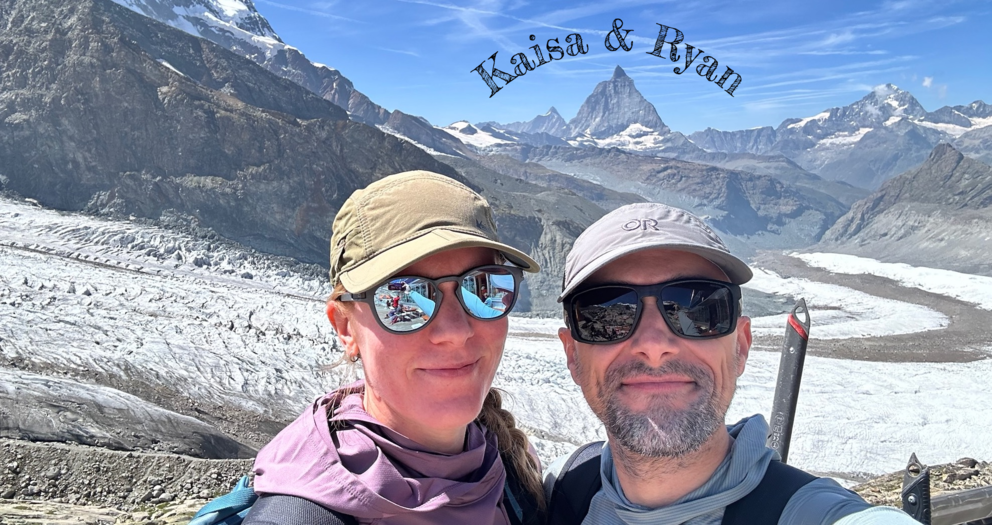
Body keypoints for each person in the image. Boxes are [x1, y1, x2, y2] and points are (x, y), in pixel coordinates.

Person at [544, 203, 918, 525]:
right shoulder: (559, 488)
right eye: (607, 313)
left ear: (741, 346)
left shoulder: (812, 514)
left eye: (698, 308)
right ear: (572, 356)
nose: (654, 346)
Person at [246, 171, 545, 524]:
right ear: (345, 328)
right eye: (403, 298)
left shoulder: (513, 464)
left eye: (483, 288)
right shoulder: (299, 517)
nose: (455, 331)